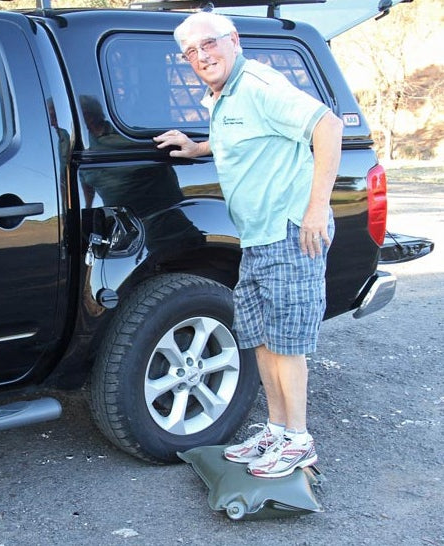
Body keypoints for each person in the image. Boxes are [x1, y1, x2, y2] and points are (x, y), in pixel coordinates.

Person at [154, 11, 343, 478]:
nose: (201, 57)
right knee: (259, 336)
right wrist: (198, 147)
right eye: (191, 53)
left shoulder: (257, 83)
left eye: (209, 45)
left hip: (290, 229)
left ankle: (298, 441)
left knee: (286, 343)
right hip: (257, 236)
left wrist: (316, 209)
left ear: (233, 40)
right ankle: (276, 430)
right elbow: (245, 137)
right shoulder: (223, 95)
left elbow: (328, 127)